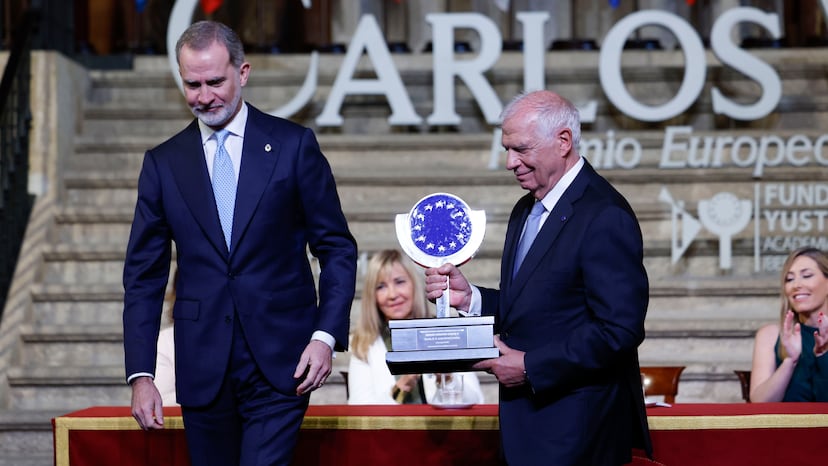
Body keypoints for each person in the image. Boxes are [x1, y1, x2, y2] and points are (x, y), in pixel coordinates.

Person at [122, 20, 358, 466]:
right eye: (192, 84)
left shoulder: (293, 146)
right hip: (202, 365)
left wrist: (325, 336)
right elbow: (143, 277)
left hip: (283, 362)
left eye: (215, 81)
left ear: (243, 72)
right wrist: (141, 374)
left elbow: (337, 248)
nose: (204, 96)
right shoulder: (163, 164)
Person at [424, 90, 651, 465]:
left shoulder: (604, 214)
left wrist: (531, 367)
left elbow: (619, 330)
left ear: (563, 141)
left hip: (579, 433)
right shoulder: (525, 209)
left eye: (521, 149)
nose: (510, 162)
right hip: (527, 429)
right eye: (507, 149)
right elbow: (534, 308)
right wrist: (472, 298)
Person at [347, 249, 485, 405]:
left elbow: (476, 401)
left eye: (399, 282)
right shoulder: (363, 344)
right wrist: (401, 387)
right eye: (381, 287)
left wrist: (447, 378)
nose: (392, 295)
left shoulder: (443, 332)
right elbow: (358, 407)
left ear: (414, 284)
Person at [750, 246, 828, 402]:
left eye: (807, 275)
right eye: (789, 279)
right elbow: (759, 403)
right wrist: (790, 361)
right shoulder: (771, 335)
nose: (796, 285)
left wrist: (823, 358)